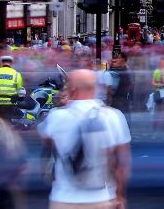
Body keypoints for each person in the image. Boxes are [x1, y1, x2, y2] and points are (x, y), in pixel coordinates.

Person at [38, 69, 131, 209]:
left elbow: (45, 138)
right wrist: (119, 196)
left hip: (63, 200)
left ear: (72, 90)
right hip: (102, 199)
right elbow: (122, 164)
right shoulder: (113, 116)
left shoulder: (56, 117)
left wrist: (62, 105)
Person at [109, 53, 134, 123]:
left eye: (118, 58)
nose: (115, 60)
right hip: (121, 99)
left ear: (123, 59)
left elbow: (130, 85)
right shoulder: (122, 70)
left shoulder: (124, 71)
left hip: (120, 99)